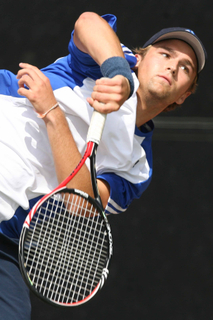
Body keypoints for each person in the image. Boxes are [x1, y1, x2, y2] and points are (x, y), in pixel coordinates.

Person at [0, 12, 207, 319]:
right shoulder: (105, 62)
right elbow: (87, 22)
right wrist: (119, 74)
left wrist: (53, 114)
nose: (172, 66)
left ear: (185, 94)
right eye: (165, 54)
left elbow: (79, 203)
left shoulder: (138, 167)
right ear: (139, 57)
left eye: (185, 67)